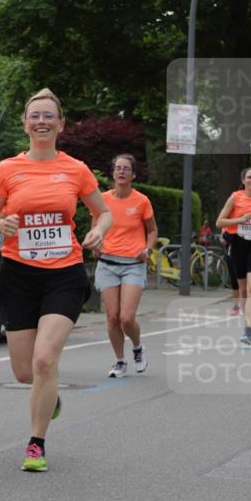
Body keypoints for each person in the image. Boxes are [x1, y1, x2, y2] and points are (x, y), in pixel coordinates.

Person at [0, 88, 112, 472]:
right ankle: (49, 398)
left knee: (43, 361)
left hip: (64, 274)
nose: (41, 121)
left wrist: (99, 231)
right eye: (35, 115)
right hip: (17, 274)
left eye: (48, 116)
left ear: (60, 124)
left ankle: (36, 444)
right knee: (24, 372)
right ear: (25, 124)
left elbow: (102, 213)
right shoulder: (7, 169)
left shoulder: (76, 169)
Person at [94, 154, 157, 377]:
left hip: (133, 264)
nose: (121, 172)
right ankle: (120, 361)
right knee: (112, 317)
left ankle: (138, 347)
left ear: (133, 174)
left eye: (126, 169)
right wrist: (95, 242)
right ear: (113, 173)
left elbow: (152, 230)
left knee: (126, 318)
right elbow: (97, 227)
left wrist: (148, 249)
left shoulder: (142, 201)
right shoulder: (102, 200)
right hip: (107, 264)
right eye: (118, 168)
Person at [216, 167, 251, 346]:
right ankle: (246, 325)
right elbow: (219, 221)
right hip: (239, 244)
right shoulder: (235, 197)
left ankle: (249, 329)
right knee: (242, 290)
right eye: (249, 177)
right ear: (243, 180)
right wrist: (239, 220)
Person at [221, 230, 241, 315]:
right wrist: (225, 239)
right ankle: (236, 306)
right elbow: (223, 240)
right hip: (231, 254)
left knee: (243, 280)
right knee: (234, 281)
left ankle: (246, 304)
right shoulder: (227, 224)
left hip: (243, 254)